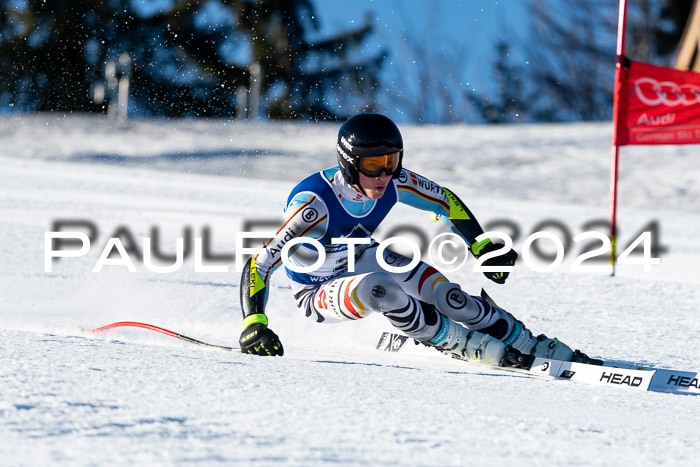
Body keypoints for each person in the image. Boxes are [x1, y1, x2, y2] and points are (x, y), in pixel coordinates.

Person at [238, 113, 592, 366]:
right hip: (316, 291)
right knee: (380, 287)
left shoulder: (395, 181)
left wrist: (481, 244)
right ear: (350, 163)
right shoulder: (314, 206)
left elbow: (446, 201)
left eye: (391, 161)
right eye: (373, 164)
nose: (384, 174)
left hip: (360, 257)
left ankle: (526, 341)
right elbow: (261, 263)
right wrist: (254, 323)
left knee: (449, 296)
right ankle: (450, 339)